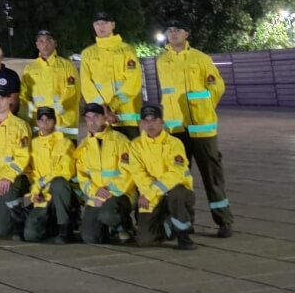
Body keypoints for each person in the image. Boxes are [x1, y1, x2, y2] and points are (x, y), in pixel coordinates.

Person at [157, 19, 232, 238]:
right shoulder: (162, 61)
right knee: (179, 177)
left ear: (187, 33)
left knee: (212, 177)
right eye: (170, 30)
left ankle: (224, 220)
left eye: (178, 30)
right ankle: (184, 222)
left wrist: (204, 104)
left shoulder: (201, 58)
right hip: (175, 128)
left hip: (202, 127)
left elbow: (217, 86)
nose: (173, 33)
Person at [131, 104, 197, 250]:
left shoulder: (174, 143)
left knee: (177, 195)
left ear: (162, 121)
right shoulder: (136, 145)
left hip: (175, 190)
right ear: (141, 124)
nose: (150, 125)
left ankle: (183, 235)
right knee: (144, 241)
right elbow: (137, 173)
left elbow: (176, 173)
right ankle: (166, 222)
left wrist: (150, 192)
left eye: (154, 120)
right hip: (152, 195)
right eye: (146, 121)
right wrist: (149, 194)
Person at [76, 103, 136, 244]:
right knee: (90, 237)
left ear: (104, 118)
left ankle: (124, 226)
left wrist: (106, 193)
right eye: (88, 118)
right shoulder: (84, 146)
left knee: (108, 214)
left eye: (96, 117)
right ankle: (107, 228)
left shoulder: (121, 141)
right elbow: (82, 177)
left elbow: (128, 173)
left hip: (120, 195)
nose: (92, 121)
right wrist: (95, 191)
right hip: (96, 196)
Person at [80, 12, 142, 139]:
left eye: (105, 23)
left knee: (130, 156)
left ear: (113, 25)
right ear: (93, 26)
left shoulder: (127, 50)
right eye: (97, 23)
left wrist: (111, 106)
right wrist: (103, 109)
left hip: (127, 118)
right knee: (103, 156)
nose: (101, 26)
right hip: (100, 119)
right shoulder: (87, 54)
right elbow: (86, 84)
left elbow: (133, 81)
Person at [0, 85, 32, 240]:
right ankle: (15, 213)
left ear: (9, 101)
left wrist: (8, 176)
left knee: (9, 195)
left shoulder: (20, 126)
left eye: (2, 99)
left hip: (17, 177)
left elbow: (23, 156)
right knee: (3, 230)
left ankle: (22, 218)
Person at [24, 107, 77, 244]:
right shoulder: (32, 145)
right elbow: (30, 173)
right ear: (37, 123)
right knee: (31, 235)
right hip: (42, 196)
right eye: (41, 120)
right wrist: (35, 192)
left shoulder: (65, 143)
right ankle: (51, 226)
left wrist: (43, 182)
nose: (45, 122)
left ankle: (65, 230)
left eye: (48, 119)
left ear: (54, 122)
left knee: (59, 183)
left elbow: (66, 171)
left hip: (59, 195)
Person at [20, 30, 80, 138]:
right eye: (41, 41)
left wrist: (53, 115)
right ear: (37, 45)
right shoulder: (30, 68)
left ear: (55, 43)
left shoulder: (67, 66)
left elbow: (73, 92)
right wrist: (35, 114)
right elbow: (24, 95)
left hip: (63, 125)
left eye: (49, 40)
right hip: (39, 125)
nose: (45, 44)